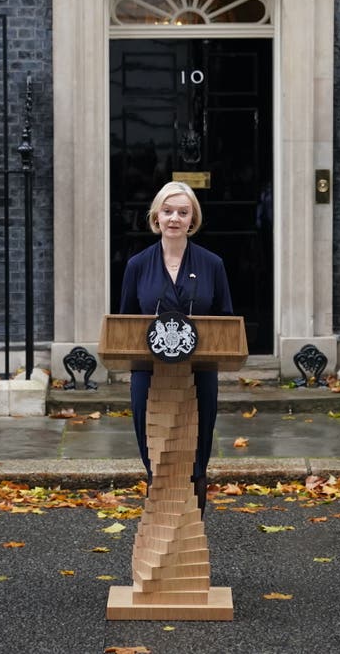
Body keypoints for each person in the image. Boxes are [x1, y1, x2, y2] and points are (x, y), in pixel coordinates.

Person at [119, 181, 233, 512]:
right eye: (167, 211)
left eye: (183, 212)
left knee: (196, 448)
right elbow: (125, 323)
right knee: (155, 448)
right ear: (156, 216)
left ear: (192, 218)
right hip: (149, 372)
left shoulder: (213, 264)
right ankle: (159, 516)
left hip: (199, 372)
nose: (174, 219)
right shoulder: (137, 265)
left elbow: (225, 320)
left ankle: (193, 519)